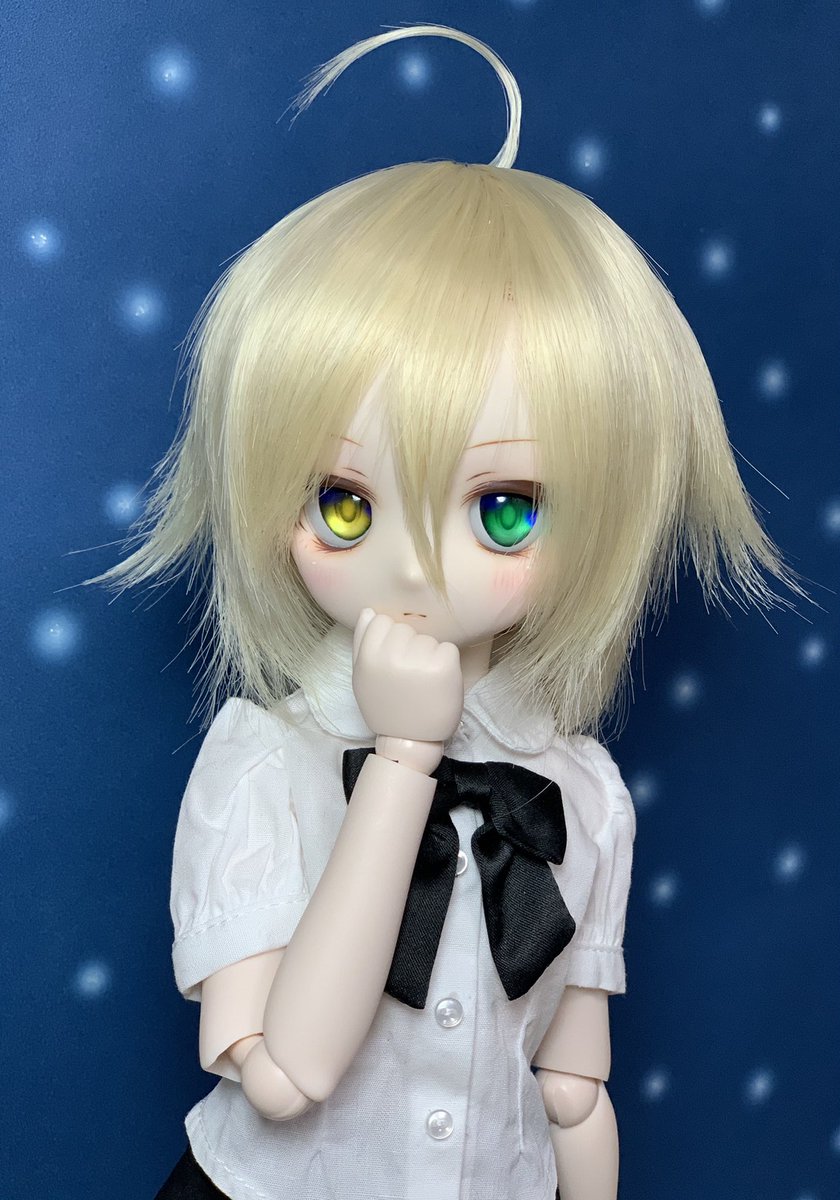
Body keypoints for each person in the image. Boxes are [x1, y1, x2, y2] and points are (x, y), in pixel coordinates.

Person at [93, 24, 804, 1200]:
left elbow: (572, 1086)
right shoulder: (264, 765)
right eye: (346, 504)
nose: (417, 569)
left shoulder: (581, 796)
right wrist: (404, 762)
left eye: (504, 510)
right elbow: (290, 1075)